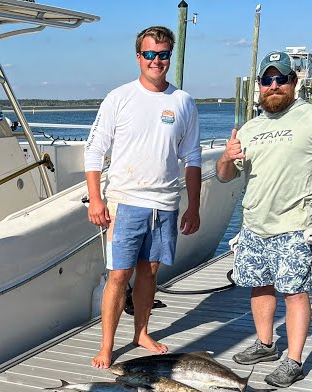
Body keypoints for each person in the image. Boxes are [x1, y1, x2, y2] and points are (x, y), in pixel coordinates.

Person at [216, 50, 312, 388]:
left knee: (294, 291)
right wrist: (226, 158)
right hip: (254, 224)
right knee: (259, 286)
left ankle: (293, 360)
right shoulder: (251, 127)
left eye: (281, 79)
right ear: (259, 86)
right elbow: (226, 176)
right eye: (267, 80)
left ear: (294, 82)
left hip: (295, 224)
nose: (274, 85)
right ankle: (265, 344)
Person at [84, 25, 201, 369]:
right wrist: (95, 198)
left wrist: (193, 206)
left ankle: (141, 332)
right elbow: (94, 152)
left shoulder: (183, 102)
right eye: (149, 54)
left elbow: (192, 158)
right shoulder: (119, 98)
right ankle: (107, 346)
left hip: (165, 204)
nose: (156, 61)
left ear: (170, 57)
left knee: (149, 273)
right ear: (139, 57)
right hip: (125, 202)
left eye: (163, 54)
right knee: (118, 275)